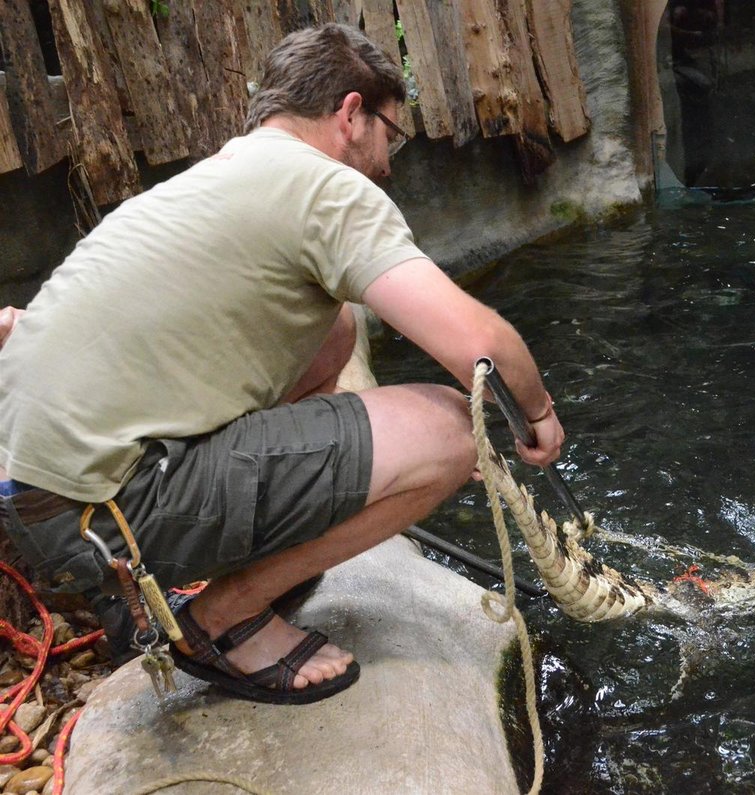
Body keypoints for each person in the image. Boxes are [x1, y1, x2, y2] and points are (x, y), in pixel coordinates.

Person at [0, 23, 564, 704]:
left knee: (334, 328)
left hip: (46, 499)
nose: (390, 161)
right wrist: (536, 415)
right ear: (351, 114)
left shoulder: (223, 175)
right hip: (108, 510)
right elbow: (481, 346)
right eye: (392, 132)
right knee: (449, 431)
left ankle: (161, 584)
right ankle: (221, 618)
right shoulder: (325, 187)